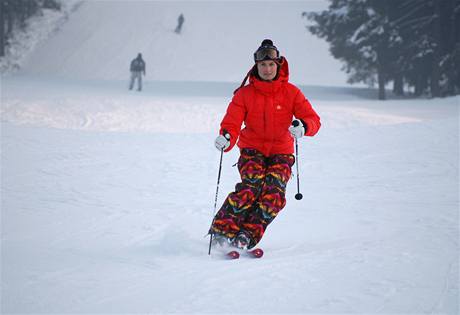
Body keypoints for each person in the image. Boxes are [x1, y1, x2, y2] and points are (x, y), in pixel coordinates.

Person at [209, 39, 321, 251]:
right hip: (252, 149)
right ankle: (222, 232)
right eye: (263, 65)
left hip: (281, 151)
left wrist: (304, 127)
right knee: (252, 186)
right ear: (256, 67)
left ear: (278, 65)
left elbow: (313, 118)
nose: (267, 69)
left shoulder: (292, 92)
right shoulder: (244, 94)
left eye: (271, 65)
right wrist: (226, 138)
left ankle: (246, 235)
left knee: (274, 194)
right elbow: (231, 123)